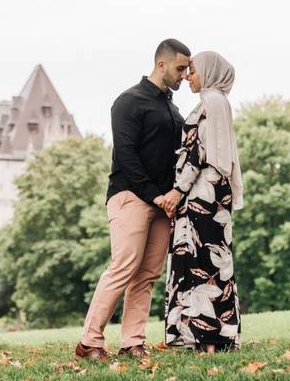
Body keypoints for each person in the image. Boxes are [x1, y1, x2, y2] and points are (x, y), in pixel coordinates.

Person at [75, 38, 191, 361]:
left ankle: (132, 342)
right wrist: (155, 196)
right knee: (123, 267)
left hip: (163, 204)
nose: (184, 75)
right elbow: (125, 155)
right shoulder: (129, 101)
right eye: (180, 68)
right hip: (130, 196)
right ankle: (89, 342)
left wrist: (171, 197)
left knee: (147, 276)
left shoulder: (173, 109)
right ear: (162, 64)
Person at [163, 51, 244, 353]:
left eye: (193, 70)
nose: (187, 76)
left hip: (201, 195)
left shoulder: (210, 103)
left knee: (198, 261)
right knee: (214, 262)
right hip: (215, 196)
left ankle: (204, 339)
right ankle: (213, 338)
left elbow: (198, 153)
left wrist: (177, 191)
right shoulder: (219, 103)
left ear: (209, 73)